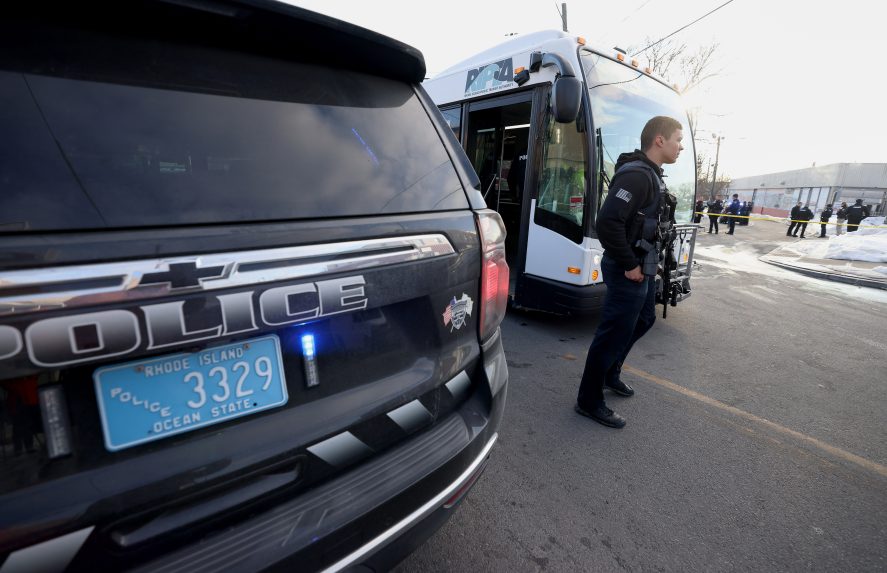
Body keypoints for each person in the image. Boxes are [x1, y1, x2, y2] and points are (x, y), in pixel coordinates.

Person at [574, 116, 682, 428]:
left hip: (643, 268)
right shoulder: (637, 176)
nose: (680, 147)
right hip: (627, 269)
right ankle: (588, 400)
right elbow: (607, 223)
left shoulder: (654, 176)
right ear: (659, 140)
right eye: (677, 139)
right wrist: (630, 264)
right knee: (612, 334)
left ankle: (610, 373)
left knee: (645, 319)